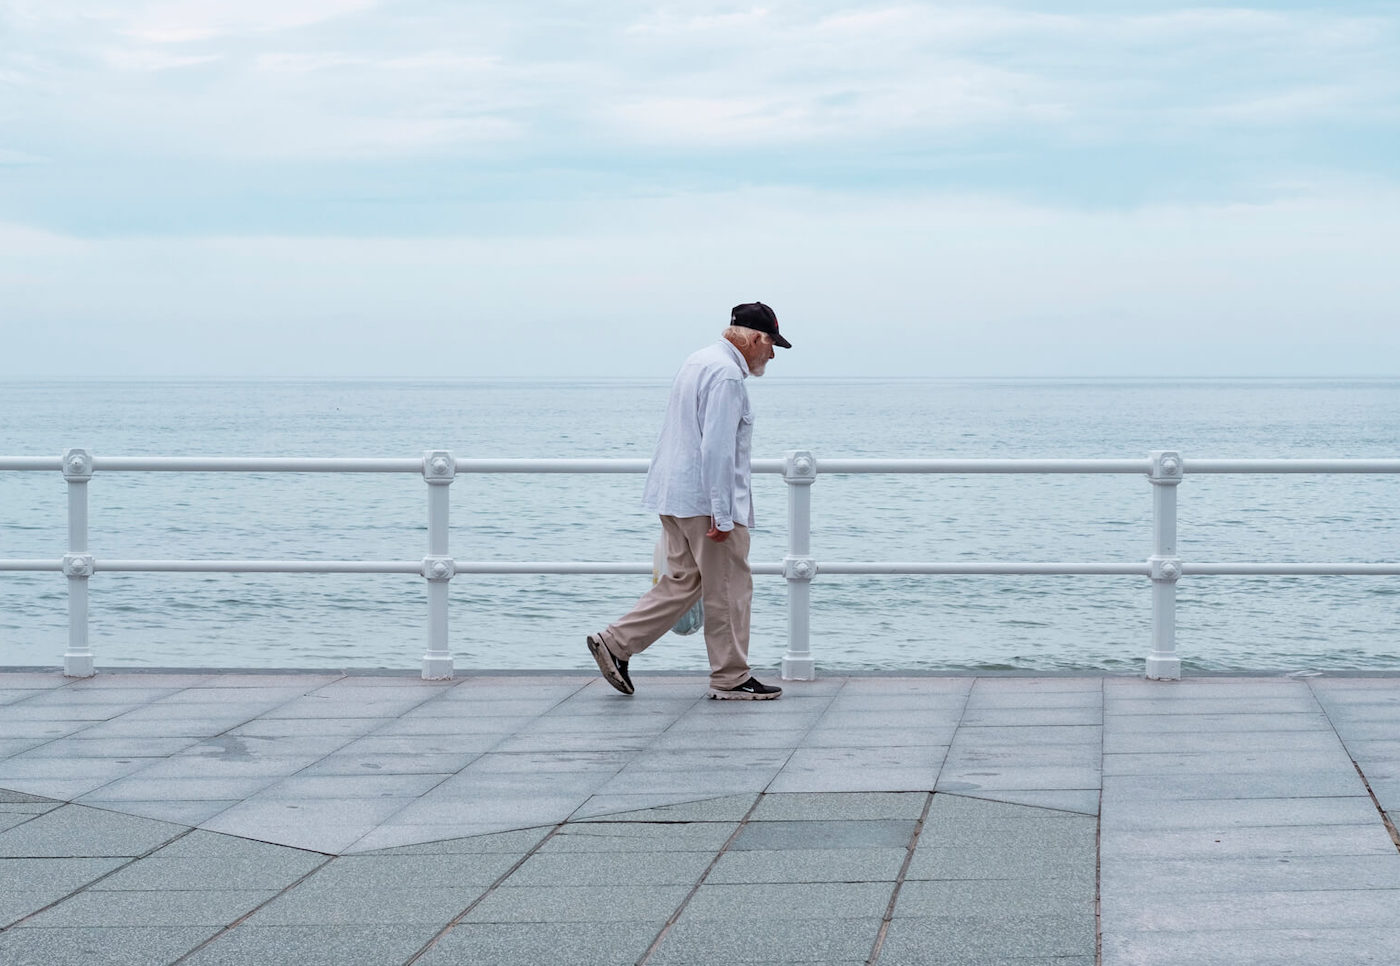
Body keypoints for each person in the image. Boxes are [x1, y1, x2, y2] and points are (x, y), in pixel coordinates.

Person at [587, 302, 792, 700]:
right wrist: (723, 513)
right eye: (770, 346)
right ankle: (731, 677)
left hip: (674, 494)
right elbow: (716, 449)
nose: (771, 355)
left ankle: (615, 643)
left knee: (683, 581)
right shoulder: (728, 377)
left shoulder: (698, 361)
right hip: (705, 503)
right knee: (730, 587)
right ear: (753, 339)